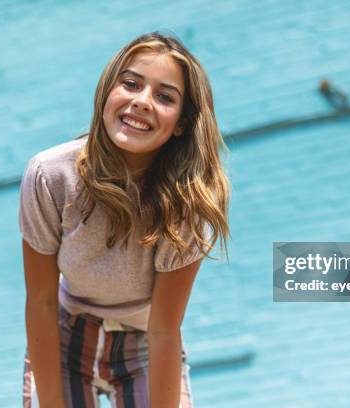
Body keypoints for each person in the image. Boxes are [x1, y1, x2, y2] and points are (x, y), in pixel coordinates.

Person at [18, 31, 230, 408]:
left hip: (145, 343)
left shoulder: (186, 204)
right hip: (64, 335)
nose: (142, 102)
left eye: (165, 97)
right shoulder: (50, 176)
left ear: (181, 123)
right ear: (107, 92)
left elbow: (165, 330)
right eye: (130, 84)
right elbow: (41, 302)